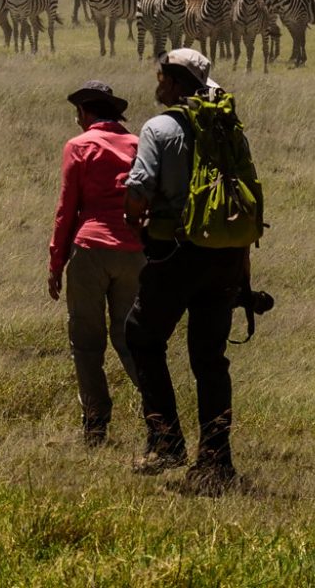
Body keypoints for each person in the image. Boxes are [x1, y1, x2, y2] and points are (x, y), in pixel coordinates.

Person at [123, 48, 252, 494]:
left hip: (174, 253)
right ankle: (216, 460)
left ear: (175, 83)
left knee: (142, 335)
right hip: (226, 256)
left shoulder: (159, 127)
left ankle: (166, 441)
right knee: (209, 360)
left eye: (161, 76)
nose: (156, 83)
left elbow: (140, 187)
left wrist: (133, 216)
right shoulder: (226, 123)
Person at [48, 79, 144, 447]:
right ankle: (159, 417)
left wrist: (56, 263)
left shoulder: (79, 145)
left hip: (90, 248)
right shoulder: (138, 143)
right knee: (131, 339)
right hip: (135, 251)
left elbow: (66, 208)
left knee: (87, 343)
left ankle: (96, 423)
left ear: (86, 113)